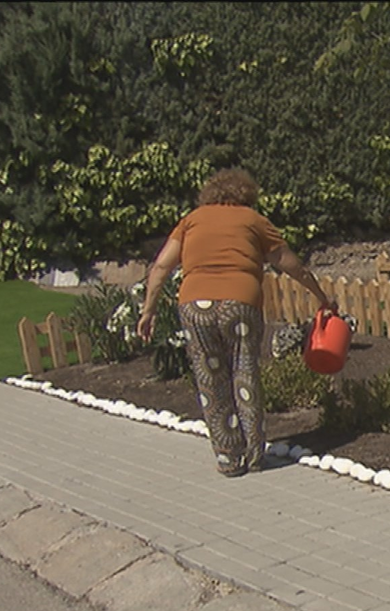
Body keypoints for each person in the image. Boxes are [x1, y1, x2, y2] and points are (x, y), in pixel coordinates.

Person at [138, 168, 337, 477]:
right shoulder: (253, 220)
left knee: (210, 379)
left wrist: (148, 310)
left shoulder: (191, 220)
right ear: (247, 194)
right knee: (244, 371)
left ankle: (229, 458)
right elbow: (291, 265)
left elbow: (162, 265)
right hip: (239, 303)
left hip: (195, 306)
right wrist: (321, 297)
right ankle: (255, 454)